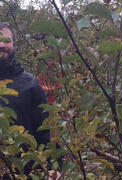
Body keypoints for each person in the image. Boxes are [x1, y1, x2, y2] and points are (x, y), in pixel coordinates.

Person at [0, 22, 61, 179]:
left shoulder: (31, 84)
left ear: (14, 45)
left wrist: (55, 167)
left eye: (7, 41)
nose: (2, 45)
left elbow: (46, 131)